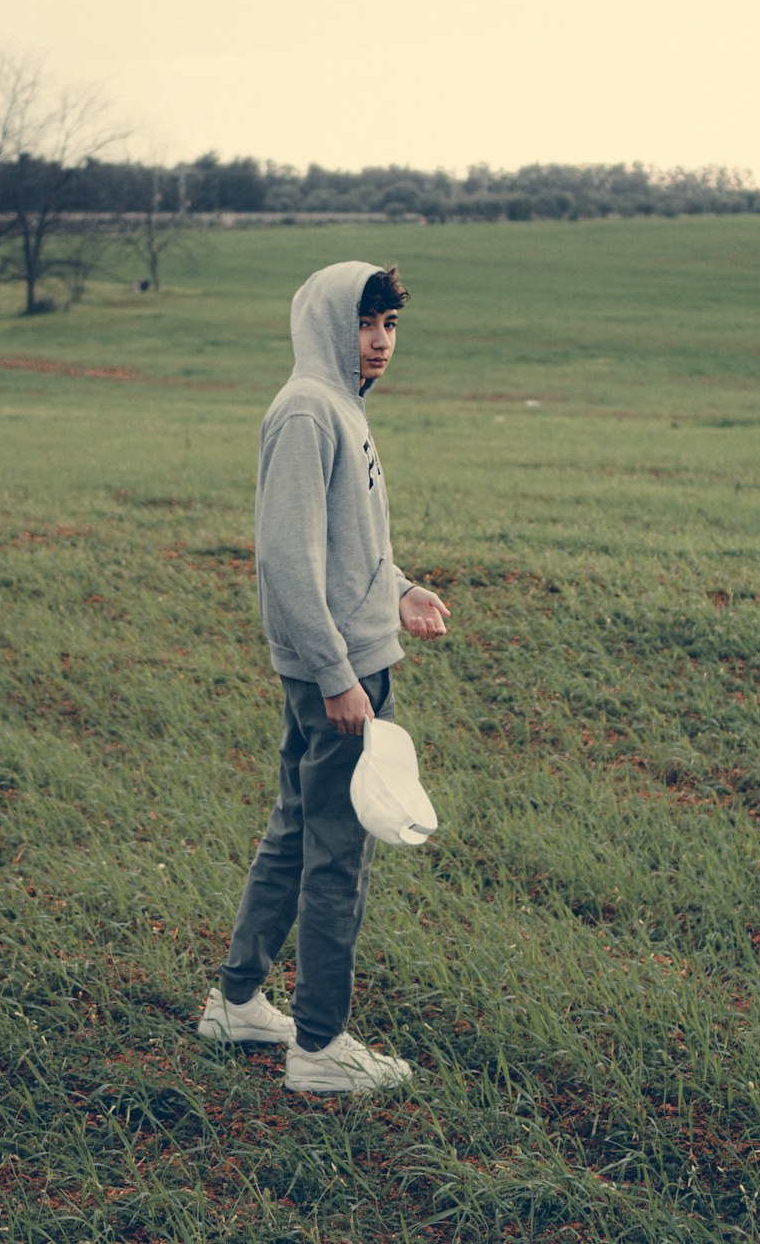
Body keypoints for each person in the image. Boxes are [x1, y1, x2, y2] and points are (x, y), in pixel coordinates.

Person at [198, 260, 450, 1093]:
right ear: (325, 325)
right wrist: (341, 675)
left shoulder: (338, 405)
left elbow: (349, 545)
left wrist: (402, 588)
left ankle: (237, 1001)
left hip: (347, 661)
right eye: (363, 325)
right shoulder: (308, 410)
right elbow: (289, 564)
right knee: (338, 855)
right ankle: (319, 1048)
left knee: (297, 830)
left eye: (389, 328)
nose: (378, 344)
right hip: (339, 675)